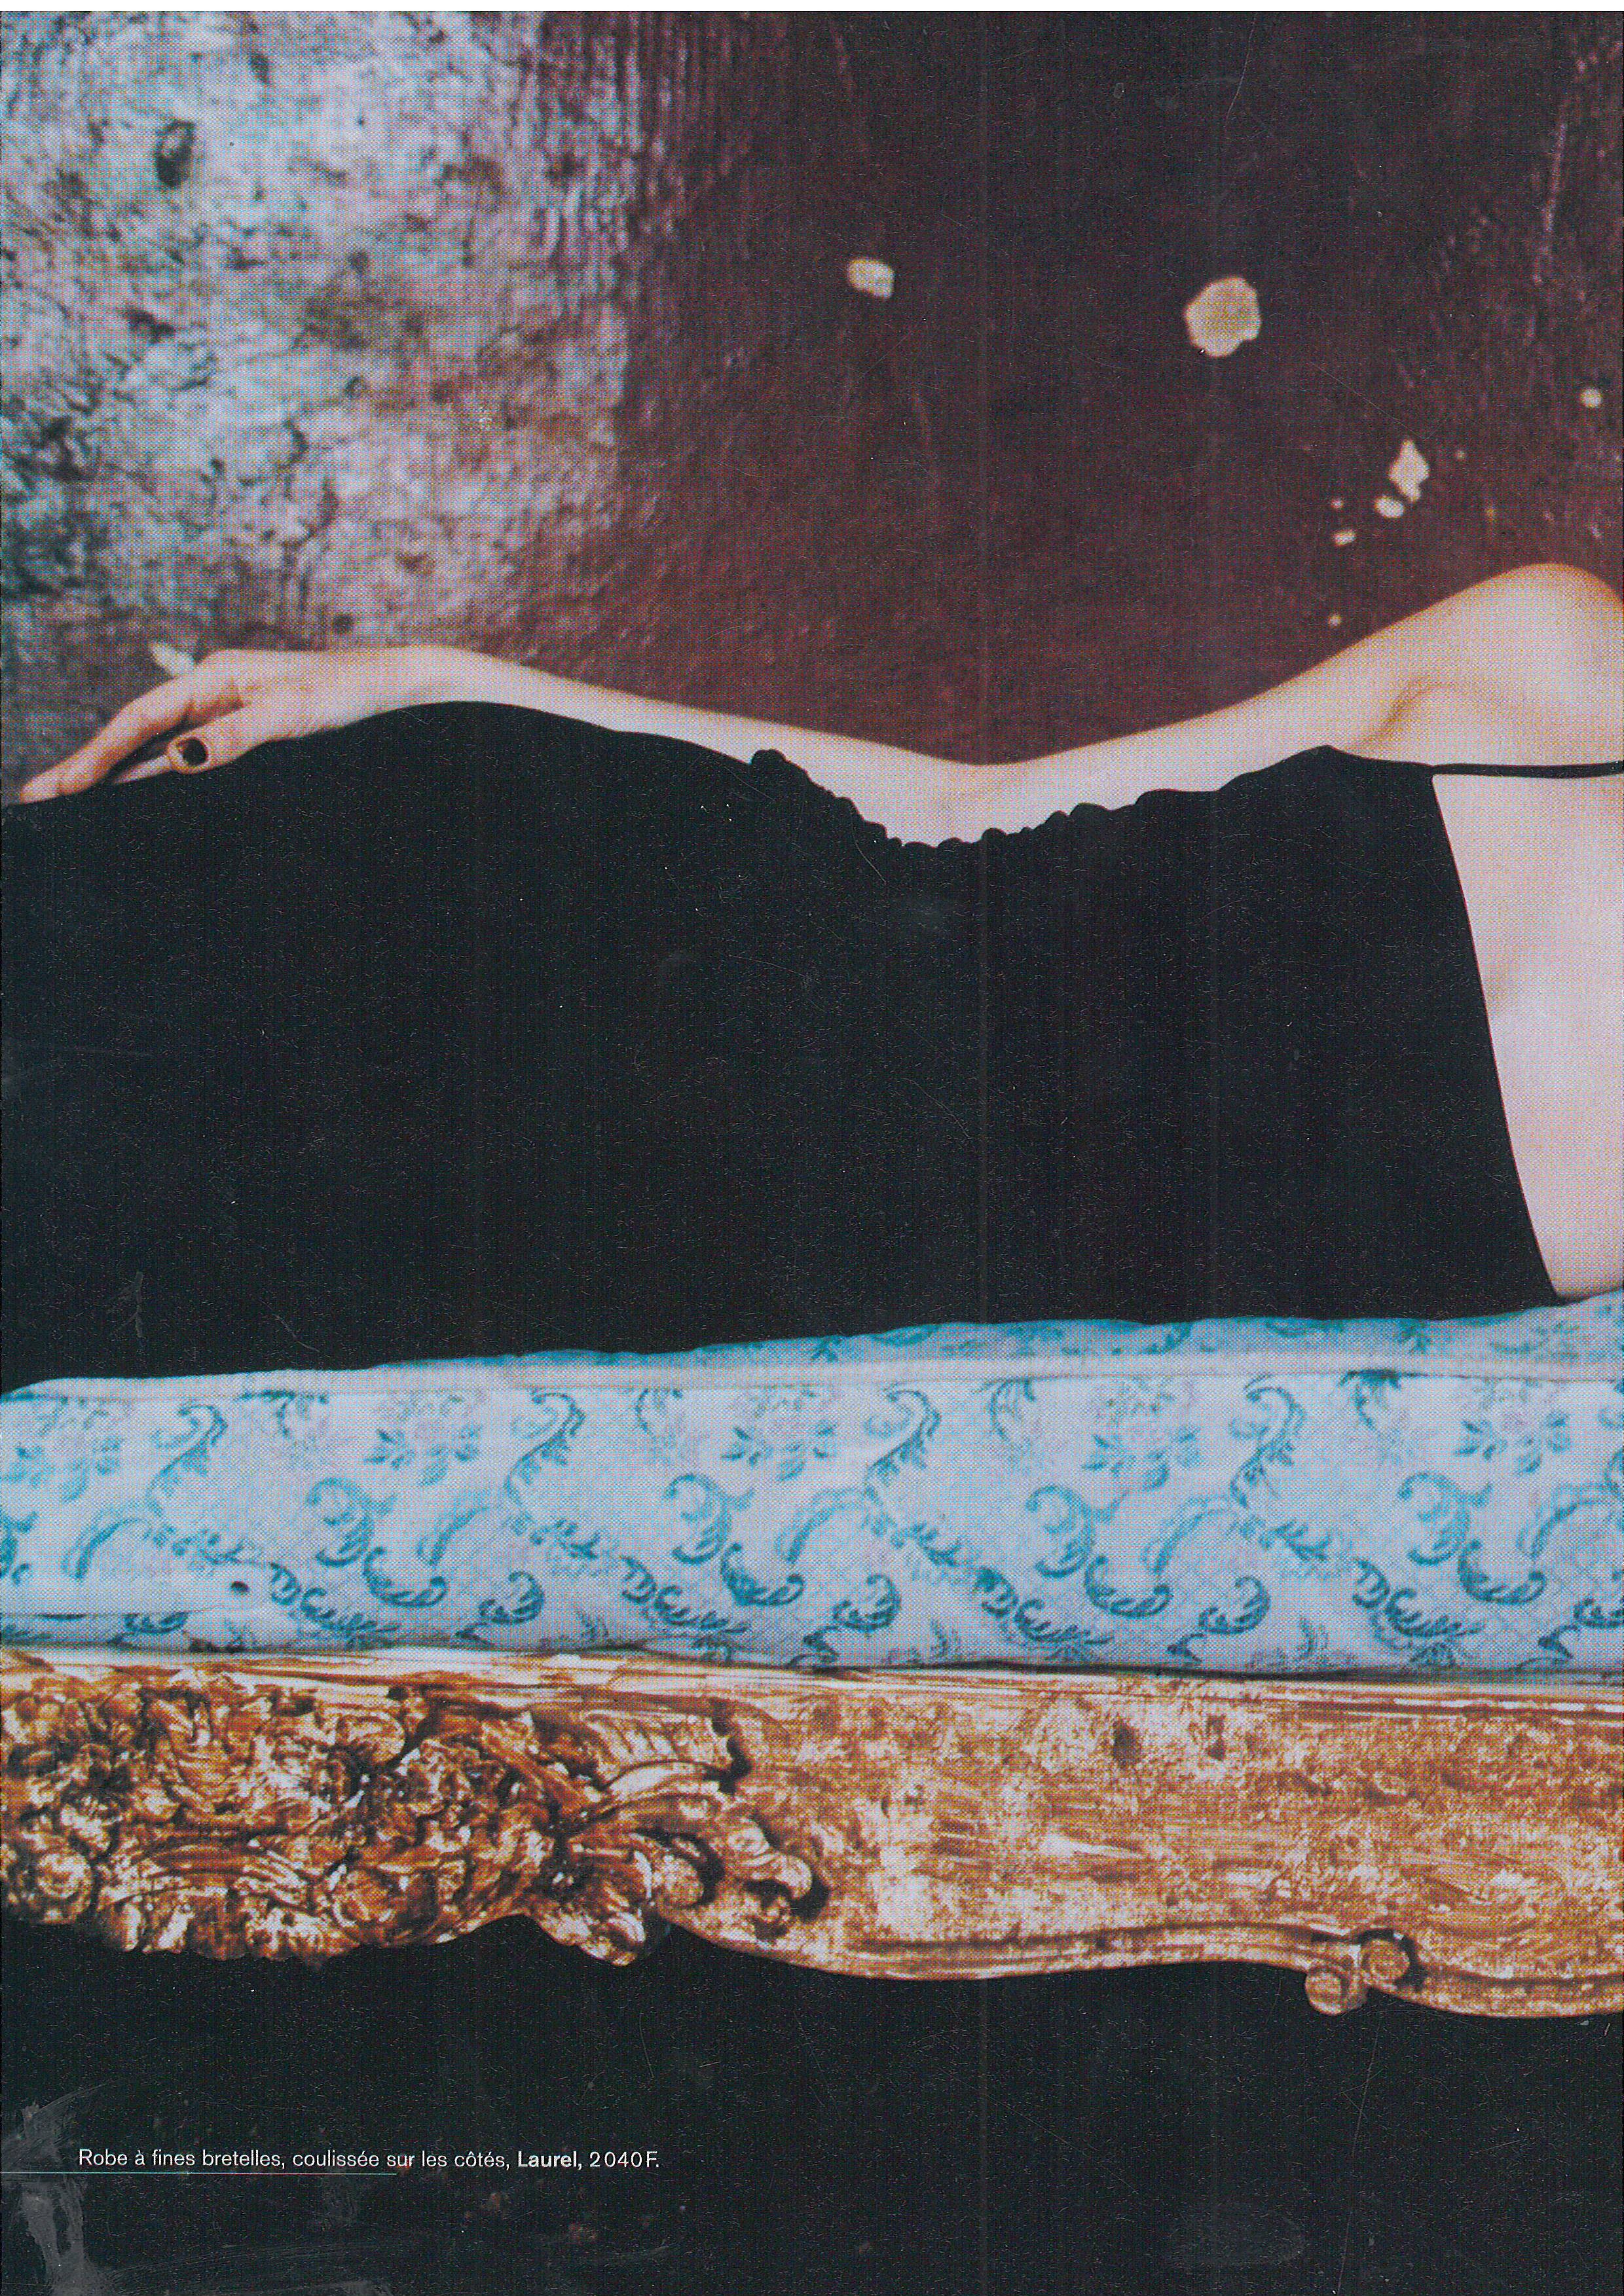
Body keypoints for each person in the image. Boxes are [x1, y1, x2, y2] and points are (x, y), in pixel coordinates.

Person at [5, 564, 1619, 1393]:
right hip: (570, 873)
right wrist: (435, 681)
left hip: (648, 1190)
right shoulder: (1556, 644)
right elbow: (970, 807)